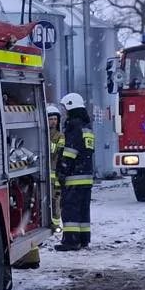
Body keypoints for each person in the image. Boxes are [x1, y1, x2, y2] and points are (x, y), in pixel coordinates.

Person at [54, 92, 95, 251]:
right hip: (86, 176)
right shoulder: (86, 127)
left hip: (74, 177)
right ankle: (84, 239)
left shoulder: (73, 126)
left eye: (65, 109)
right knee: (83, 210)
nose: (64, 113)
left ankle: (71, 241)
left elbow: (70, 151)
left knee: (70, 208)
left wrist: (63, 169)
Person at [46, 102, 64, 234]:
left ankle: (56, 224)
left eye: (55, 119)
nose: (53, 122)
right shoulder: (42, 134)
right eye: (50, 119)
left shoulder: (60, 136)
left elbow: (57, 152)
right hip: (44, 175)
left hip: (55, 174)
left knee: (56, 200)